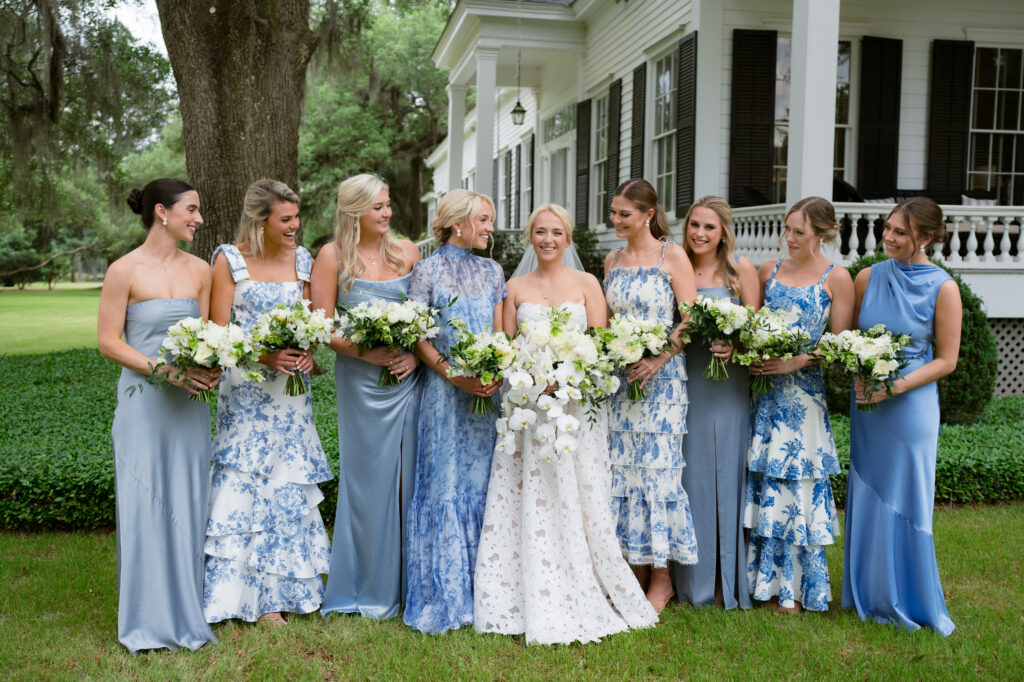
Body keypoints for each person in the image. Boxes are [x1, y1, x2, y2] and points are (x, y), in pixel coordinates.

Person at [474, 204, 658, 644]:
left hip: (576, 410)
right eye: (540, 232)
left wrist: (566, 379)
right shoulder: (513, 287)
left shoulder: (587, 283)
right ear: (529, 238)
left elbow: (598, 345)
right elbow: (505, 348)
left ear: (568, 238)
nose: (548, 239)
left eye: (556, 232)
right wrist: (534, 381)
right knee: (533, 495)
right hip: (529, 409)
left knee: (577, 491)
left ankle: (586, 580)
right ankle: (522, 590)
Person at [202, 179, 333, 626]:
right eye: (286, 219)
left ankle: (287, 590)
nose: (295, 225)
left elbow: (314, 319)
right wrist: (265, 354)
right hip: (247, 391)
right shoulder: (228, 259)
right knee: (248, 479)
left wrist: (307, 351)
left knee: (286, 482)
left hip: (293, 393)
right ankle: (245, 596)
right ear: (261, 220)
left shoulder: (303, 260)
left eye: (297, 217)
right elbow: (218, 332)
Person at [97, 179, 219, 652]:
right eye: (192, 209)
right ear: (162, 213)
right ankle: (145, 622)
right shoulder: (123, 270)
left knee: (187, 502)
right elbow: (109, 341)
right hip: (144, 405)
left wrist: (208, 369)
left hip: (188, 405)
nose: (199, 219)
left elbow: (210, 335)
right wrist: (161, 370)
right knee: (145, 504)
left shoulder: (201, 271)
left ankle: (188, 613)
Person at [841, 197, 960, 635]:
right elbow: (850, 337)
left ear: (925, 238)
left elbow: (947, 360)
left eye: (900, 232)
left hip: (909, 405)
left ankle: (911, 599)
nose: (888, 237)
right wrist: (856, 368)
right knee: (868, 488)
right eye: (887, 228)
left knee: (907, 495)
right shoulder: (867, 277)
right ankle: (867, 594)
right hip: (867, 403)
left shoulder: (943, 287)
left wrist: (895, 386)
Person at [313, 174, 423, 620]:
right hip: (360, 381)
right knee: (367, 481)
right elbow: (322, 326)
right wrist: (368, 352)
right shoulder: (332, 256)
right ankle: (365, 583)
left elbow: (428, 316)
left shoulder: (409, 252)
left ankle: (407, 584)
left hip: (406, 379)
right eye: (378, 206)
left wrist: (414, 356)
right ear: (354, 210)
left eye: (388, 204)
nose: (387, 213)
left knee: (407, 478)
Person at [742, 196, 854, 613]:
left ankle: (798, 588)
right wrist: (752, 353)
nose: (788, 238)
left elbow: (839, 344)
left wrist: (796, 360)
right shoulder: (768, 269)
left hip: (804, 396)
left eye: (798, 232)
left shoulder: (836, 277)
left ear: (822, 234)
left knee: (798, 481)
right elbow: (750, 324)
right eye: (786, 229)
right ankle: (763, 585)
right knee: (766, 479)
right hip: (764, 394)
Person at [403, 189, 506, 634]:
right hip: (445, 396)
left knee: (487, 484)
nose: (490, 228)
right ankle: (446, 593)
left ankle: (492, 590)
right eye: (483, 220)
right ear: (458, 222)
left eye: (490, 220)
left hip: (489, 395)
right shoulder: (426, 271)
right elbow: (417, 336)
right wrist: (452, 374)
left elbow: (501, 333)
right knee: (444, 484)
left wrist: (496, 371)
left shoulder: (495, 270)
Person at [603, 178, 699, 613]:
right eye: (613, 212)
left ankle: (662, 577)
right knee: (623, 474)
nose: (616, 220)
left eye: (624, 213)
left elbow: (690, 320)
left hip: (662, 383)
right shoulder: (612, 260)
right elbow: (605, 322)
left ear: (647, 214)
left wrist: (657, 359)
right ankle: (633, 567)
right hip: (621, 384)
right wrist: (614, 352)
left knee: (658, 473)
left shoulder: (672, 255)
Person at [672, 196, 760, 610]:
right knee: (691, 477)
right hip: (685, 380)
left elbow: (755, 332)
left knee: (726, 471)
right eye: (694, 225)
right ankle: (689, 579)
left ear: (723, 232)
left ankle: (727, 580)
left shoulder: (739, 270)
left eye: (709, 227)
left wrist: (735, 344)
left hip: (727, 384)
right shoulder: (675, 266)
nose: (700, 234)